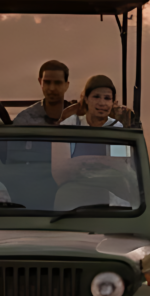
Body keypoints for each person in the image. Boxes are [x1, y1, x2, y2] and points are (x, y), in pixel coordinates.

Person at [53, 75, 138, 209]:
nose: (102, 103)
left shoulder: (117, 129)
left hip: (111, 196)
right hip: (74, 196)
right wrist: (101, 162)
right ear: (86, 98)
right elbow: (59, 174)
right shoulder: (69, 125)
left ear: (113, 103)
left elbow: (119, 168)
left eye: (107, 98)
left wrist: (82, 163)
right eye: (96, 97)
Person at [11, 60, 73, 125]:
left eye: (58, 83)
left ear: (66, 85)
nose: (52, 88)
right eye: (47, 82)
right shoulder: (25, 120)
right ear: (40, 82)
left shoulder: (79, 118)